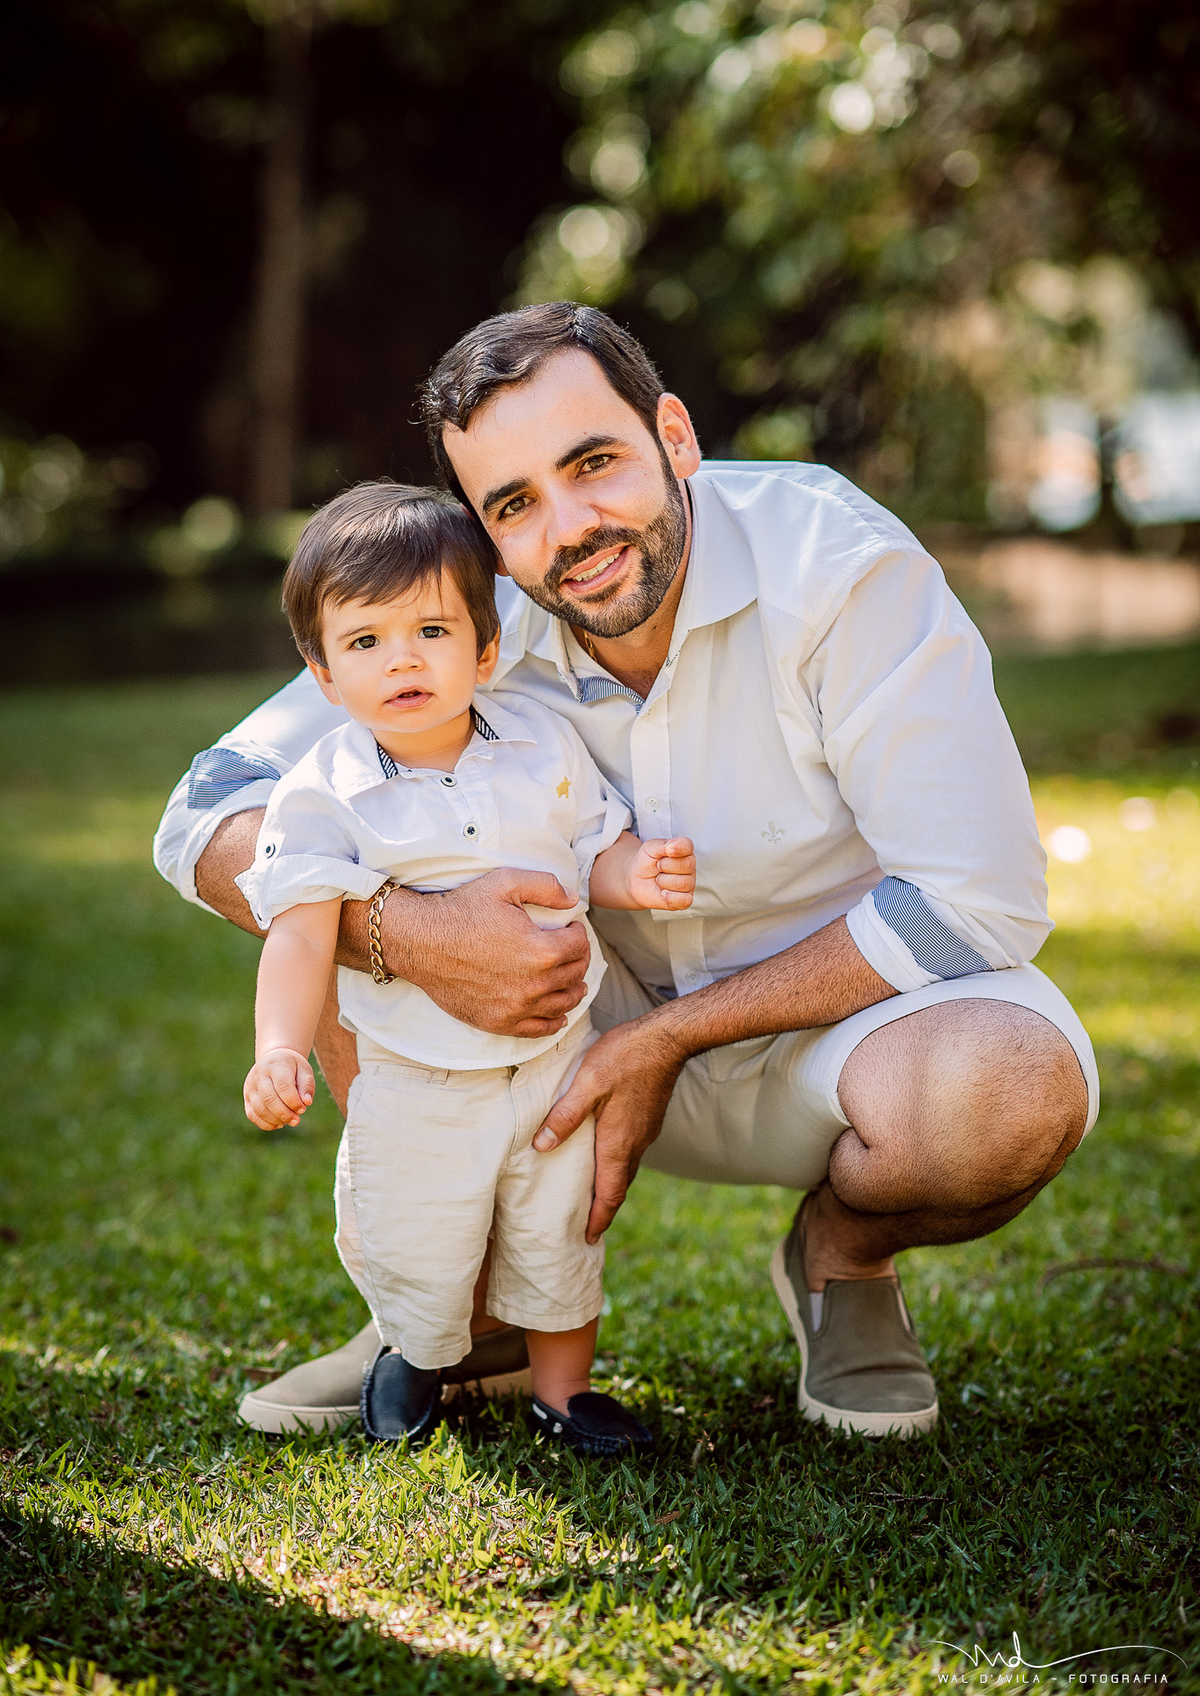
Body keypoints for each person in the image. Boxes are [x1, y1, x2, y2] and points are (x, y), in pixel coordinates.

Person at [154, 301, 1099, 1442]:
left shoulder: (840, 566)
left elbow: (979, 894)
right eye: (514, 503)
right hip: (549, 1027)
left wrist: (662, 1039)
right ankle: (464, 1316)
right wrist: (409, 931)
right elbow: (204, 812)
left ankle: (841, 1261)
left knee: (1013, 1084)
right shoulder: (459, 609)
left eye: (593, 462)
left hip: (848, 1027)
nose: (569, 527)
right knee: (347, 904)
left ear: (676, 435)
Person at [237, 482, 693, 1452]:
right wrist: (278, 1045)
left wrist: (634, 872)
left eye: (431, 630)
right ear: (322, 673)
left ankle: (565, 1390)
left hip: (552, 1064)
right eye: (364, 642)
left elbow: (589, 848)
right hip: (416, 1074)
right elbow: (303, 932)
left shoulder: (541, 745)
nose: (401, 658)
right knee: (415, 1233)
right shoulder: (325, 792)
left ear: (486, 650)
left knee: (558, 1232)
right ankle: (416, 1354)